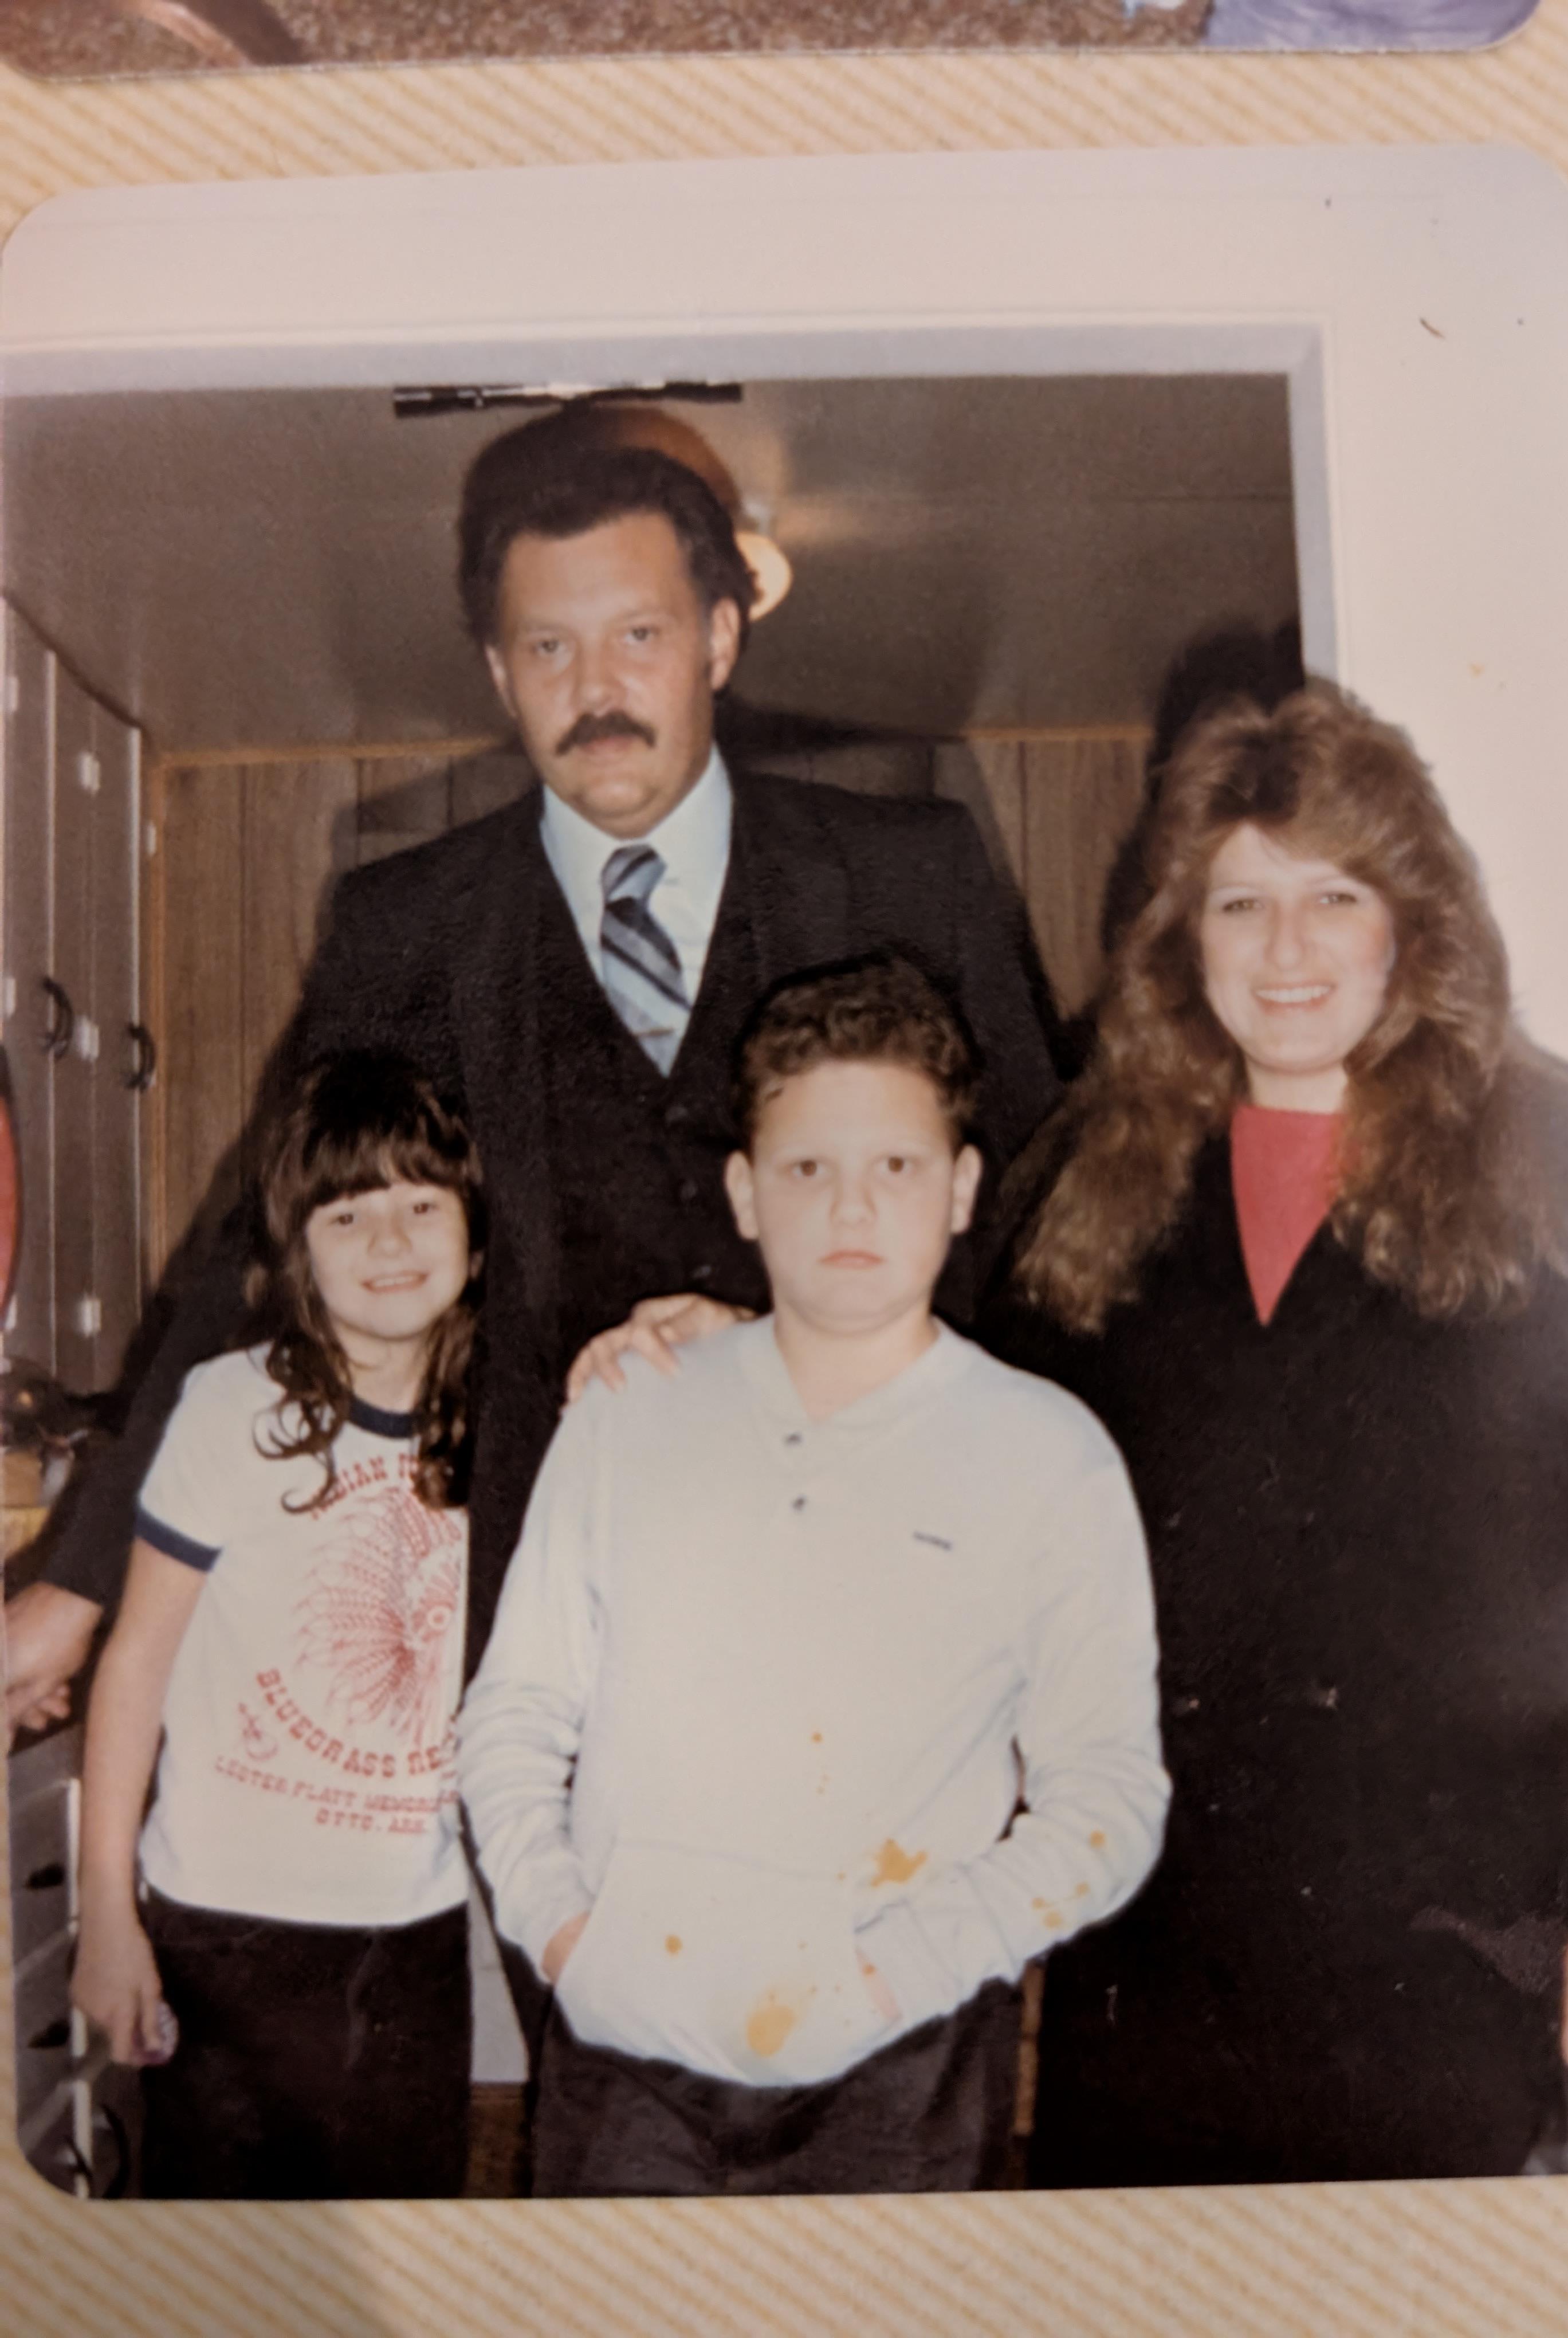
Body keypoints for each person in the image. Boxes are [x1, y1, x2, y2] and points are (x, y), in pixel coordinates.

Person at [5, 413, 1059, 1740]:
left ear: (720, 639)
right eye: (549, 648)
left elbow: (1046, 1224)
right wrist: (81, 1582)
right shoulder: (409, 925)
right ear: (501, 674)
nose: (595, 690)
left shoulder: (907, 871)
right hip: (553, 1645)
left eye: (639, 635)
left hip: (883, 1592)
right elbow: (259, 1253)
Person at [984, 681, 1568, 2185]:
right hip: (1155, 1942)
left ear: (1410, 922)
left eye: (1334, 896)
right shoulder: (1090, 1178)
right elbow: (956, 1465)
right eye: (1242, 904)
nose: (1287, 951)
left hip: (1454, 1947)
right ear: (1183, 938)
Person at [457, 958, 1168, 2196]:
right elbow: (513, 1713)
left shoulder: (1047, 1455)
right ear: (745, 1192)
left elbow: (1108, 1796)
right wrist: (569, 1936)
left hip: (899, 2076)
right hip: (627, 2067)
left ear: (962, 1188)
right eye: (806, 1170)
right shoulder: (630, 1409)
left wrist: (903, 1974)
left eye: (895, 1166)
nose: (851, 1209)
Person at [68, 1053, 482, 2198]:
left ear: (475, 1230)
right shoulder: (231, 1405)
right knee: (222, 2262)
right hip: (224, 1929)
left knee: (405, 2246)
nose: (389, 1241)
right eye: (347, 1215)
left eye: (421, 1205)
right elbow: (135, 1666)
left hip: (416, 1925)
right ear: (298, 1250)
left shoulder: (505, 1420)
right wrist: (108, 1916)